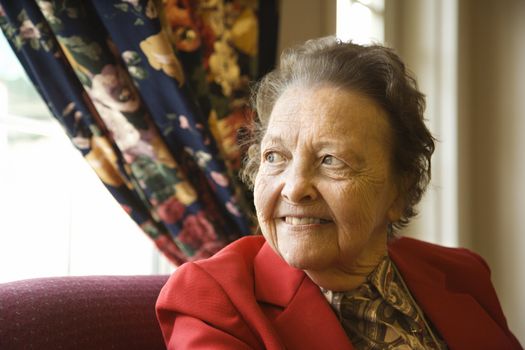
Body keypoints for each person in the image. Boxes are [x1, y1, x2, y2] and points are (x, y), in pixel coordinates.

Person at [156, 37, 522, 349]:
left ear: (400, 190)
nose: (295, 187)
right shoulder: (212, 300)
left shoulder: (462, 273)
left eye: (332, 160)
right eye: (275, 156)